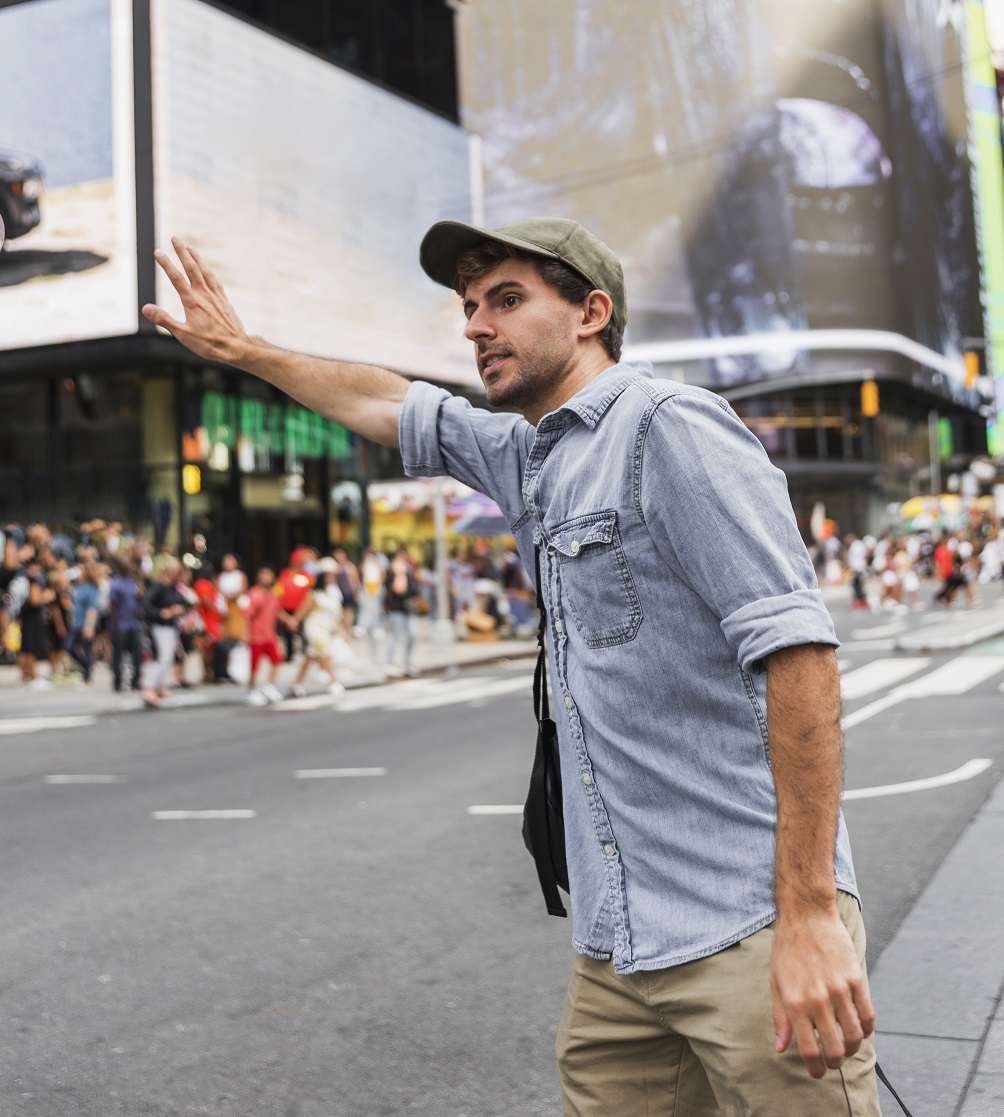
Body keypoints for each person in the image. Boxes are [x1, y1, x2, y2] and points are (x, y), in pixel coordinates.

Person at [146, 222, 878, 1113]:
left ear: (590, 314)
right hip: (620, 949)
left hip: (747, 925)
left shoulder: (669, 429)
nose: (476, 326)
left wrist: (806, 912)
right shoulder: (531, 456)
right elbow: (386, 404)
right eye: (468, 306)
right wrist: (244, 350)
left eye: (507, 299)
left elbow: (797, 652)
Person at [292, 556, 347, 696]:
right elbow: (302, 611)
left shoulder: (331, 593)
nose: (332, 578)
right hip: (315, 628)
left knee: (310, 656)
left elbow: (336, 614)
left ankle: (296, 683)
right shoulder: (313, 595)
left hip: (327, 628)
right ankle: (333, 682)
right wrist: (293, 621)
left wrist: (338, 628)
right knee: (325, 653)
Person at [142, 559, 186, 706]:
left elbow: (179, 603)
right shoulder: (159, 586)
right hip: (160, 626)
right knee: (164, 657)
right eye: (175, 570)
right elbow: (146, 605)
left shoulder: (173, 586)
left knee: (168, 656)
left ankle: (158, 687)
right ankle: (149, 687)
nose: (178, 573)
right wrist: (162, 612)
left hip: (170, 626)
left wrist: (178, 610)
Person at [245, 565, 284, 693]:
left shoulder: (273, 593)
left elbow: (278, 611)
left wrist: (290, 620)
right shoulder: (254, 594)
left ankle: (269, 685)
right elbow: (247, 616)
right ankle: (252, 689)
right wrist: (245, 635)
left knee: (277, 660)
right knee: (254, 666)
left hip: (270, 635)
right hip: (256, 635)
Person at [108, 557, 144, 692]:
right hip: (121, 624)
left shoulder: (133, 582)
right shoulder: (116, 583)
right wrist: (115, 624)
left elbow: (139, 599)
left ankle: (136, 680)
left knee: (137, 654)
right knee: (118, 655)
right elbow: (112, 605)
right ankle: (117, 682)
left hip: (134, 624)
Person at [384, 548, 420, 675]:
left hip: (409, 610)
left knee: (413, 634)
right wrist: (400, 574)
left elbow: (415, 589)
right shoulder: (391, 574)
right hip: (396, 610)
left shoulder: (409, 573)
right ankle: (389, 663)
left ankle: (407, 662)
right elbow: (399, 589)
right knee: (395, 636)